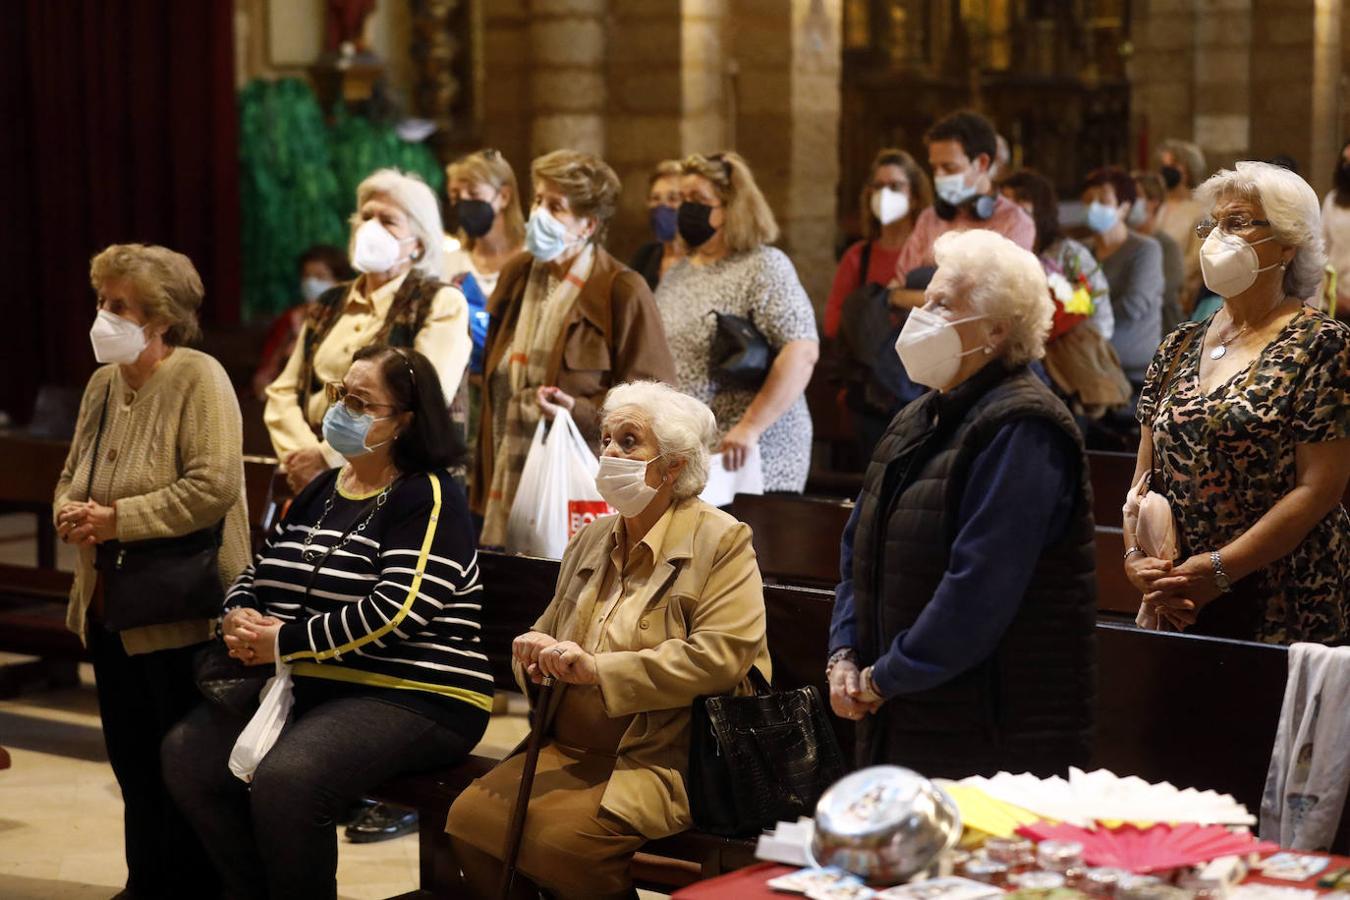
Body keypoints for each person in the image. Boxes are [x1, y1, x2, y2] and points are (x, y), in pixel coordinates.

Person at [164, 346, 491, 900]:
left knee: (289, 780)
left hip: (417, 693)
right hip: (318, 684)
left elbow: (400, 609)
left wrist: (284, 642)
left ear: (406, 420)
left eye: (361, 403)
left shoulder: (428, 496)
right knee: (188, 755)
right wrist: (238, 615)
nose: (341, 410)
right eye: (340, 395)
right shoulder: (324, 488)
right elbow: (263, 571)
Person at [446, 381, 771, 900]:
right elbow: (549, 629)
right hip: (570, 745)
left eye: (629, 441)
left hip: (663, 753)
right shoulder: (592, 537)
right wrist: (532, 652)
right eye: (607, 440)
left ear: (673, 467)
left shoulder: (723, 540)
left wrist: (599, 670)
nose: (610, 453)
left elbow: (722, 658)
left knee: (564, 845)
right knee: (470, 820)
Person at [826, 229, 1096, 778]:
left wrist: (884, 677)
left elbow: (980, 588)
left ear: (996, 329)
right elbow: (860, 547)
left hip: (988, 728)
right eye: (924, 301)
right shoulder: (917, 415)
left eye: (942, 304)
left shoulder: (1024, 426)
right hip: (903, 710)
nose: (919, 316)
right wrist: (845, 655)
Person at [54, 243, 251, 898]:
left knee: (183, 773)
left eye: (118, 307)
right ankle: (148, 884)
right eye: (101, 303)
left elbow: (213, 487)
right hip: (114, 606)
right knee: (133, 767)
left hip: (182, 613)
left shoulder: (199, 378)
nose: (102, 317)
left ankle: (194, 889)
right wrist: (68, 511)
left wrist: (117, 520)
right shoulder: (104, 382)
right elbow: (73, 469)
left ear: (160, 318)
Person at [1126, 161, 1350, 645]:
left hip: (1283, 593)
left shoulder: (1323, 344)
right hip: (1182, 590)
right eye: (1214, 224)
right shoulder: (1178, 345)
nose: (1216, 238)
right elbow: (1144, 478)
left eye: (1239, 222)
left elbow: (1319, 488)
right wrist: (1136, 560)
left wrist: (1221, 570)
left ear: (1289, 243)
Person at [473, 149, 675, 548]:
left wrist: (578, 410)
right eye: (537, 201)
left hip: (576, 475)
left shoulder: (620, 288)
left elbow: (654, 400)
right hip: (504, 466)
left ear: (588, 225)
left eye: (555, 207)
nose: (538, 215)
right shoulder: (517, 274)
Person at [265, 167, 472, 494]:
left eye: (388, 221)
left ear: (417, 243)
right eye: (365, 217)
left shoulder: (439, 302)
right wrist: (302, 456)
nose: (371, 229)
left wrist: (327, 458)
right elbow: (283, 391)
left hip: (399, 481)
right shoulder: (330, 302)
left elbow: (424, 399)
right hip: (313, 479)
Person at [655, 151, 820, 491]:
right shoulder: (679, 272)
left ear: (732, 208)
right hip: (694, 453)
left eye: (699, 200)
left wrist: (750, 427)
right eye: (682, 199)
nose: (687, 209)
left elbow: (801, 351)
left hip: (751, 452)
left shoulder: (763, 266)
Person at [1000, 169, 1131, 418]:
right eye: (1005, 205)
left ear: (1039, 209)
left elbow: (1097, 316)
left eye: (1020, 205)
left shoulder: (1067, 254)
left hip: (1065, 353)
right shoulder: (999, 255)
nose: (1012, 214)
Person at [890, 110, 1035, 307]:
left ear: (982, 163)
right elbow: (897, 290)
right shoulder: (930, 218)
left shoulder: (1016, 223)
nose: (939, 176)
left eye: (949, 168)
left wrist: (915, 297)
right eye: (935, 168)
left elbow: (994, 304)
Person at [824, 148, 933, 339]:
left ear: (915, 198)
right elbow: (833, 321)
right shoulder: (857, 256)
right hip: (870, 361)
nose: (885, 194)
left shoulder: (931, 252)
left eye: (895, 186)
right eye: (878, 186)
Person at [444, 148, 528, 375]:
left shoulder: (533, 259)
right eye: (455, 196)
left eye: (473, 193)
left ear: (503, 197)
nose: (463, 203)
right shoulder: (449, 263)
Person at [1082, 166, 1165, 388]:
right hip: (1087, 359)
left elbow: (1133, 305)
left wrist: (1084, 321)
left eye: (1102, 201)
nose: (1093, 207)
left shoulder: (1145, 250)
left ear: (1124, 208)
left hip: (1130, 367)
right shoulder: (1082, 251)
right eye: (1089, 201)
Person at [251, 245, 356, 398]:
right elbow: (266, 369)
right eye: (307, 276)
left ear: (339, 281)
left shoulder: (353, 319)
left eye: (320, 277)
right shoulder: (290, 319)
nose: (312, 283)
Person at [1154, 139, 1208, 313]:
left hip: (1179, 294)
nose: (1166, 170)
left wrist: (1166, 279)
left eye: (1173, 165)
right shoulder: (1157, 205)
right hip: (1150, 287)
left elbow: (1198, 257)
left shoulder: (1202, 210)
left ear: (1188, 169)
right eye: (1164, 165)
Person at [1131, 170, 1186, 336]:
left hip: (1162, 333)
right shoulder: (1124, 243)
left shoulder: (1168, 247)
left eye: (1135, 196)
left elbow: (1163, 293)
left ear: (1153, 202)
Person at [629, 159, 685, 290]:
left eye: (673, 199)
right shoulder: (644, 257)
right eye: (655, 198)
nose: (662, 207)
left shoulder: (701, 261)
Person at [1320, 140, 1350, 315]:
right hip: (1336, 302)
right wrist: (1332, 296)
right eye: (1346, 163)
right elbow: (1321, 250)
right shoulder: (1333, 201)